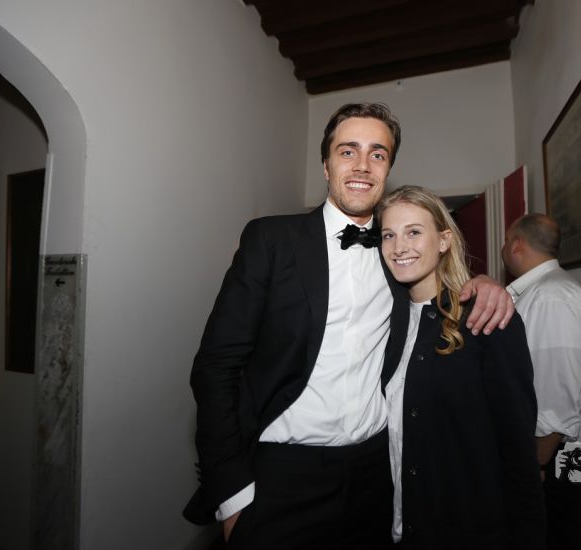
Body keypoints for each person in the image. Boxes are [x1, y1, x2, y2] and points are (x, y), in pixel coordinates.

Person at [183, 103, 515, 549]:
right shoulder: (272, 240)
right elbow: (216, 368)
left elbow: (437, 289)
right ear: (326, 166)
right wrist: (232, 495)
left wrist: (486, 285)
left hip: (377, 478)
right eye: (347, 151)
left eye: (377, 154)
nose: (362, 165)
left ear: (388, 168)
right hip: (283, 479)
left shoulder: (397, 252)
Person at [377, 186, 545, 549]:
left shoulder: (486, 319)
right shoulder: (380, 321)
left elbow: (517, 448)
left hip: (464, 530)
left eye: (414, 232)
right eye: (388, 235)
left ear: (444, 240)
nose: (399, 247)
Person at [501, 213, 581, 550]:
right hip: (558, 444)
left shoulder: (551, 297)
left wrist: (537, 461)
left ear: (517, 245)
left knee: (553, 534)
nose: (504, 247)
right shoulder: (543, 291)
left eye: (506, 240)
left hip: (562, 447)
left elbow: (556, 394)